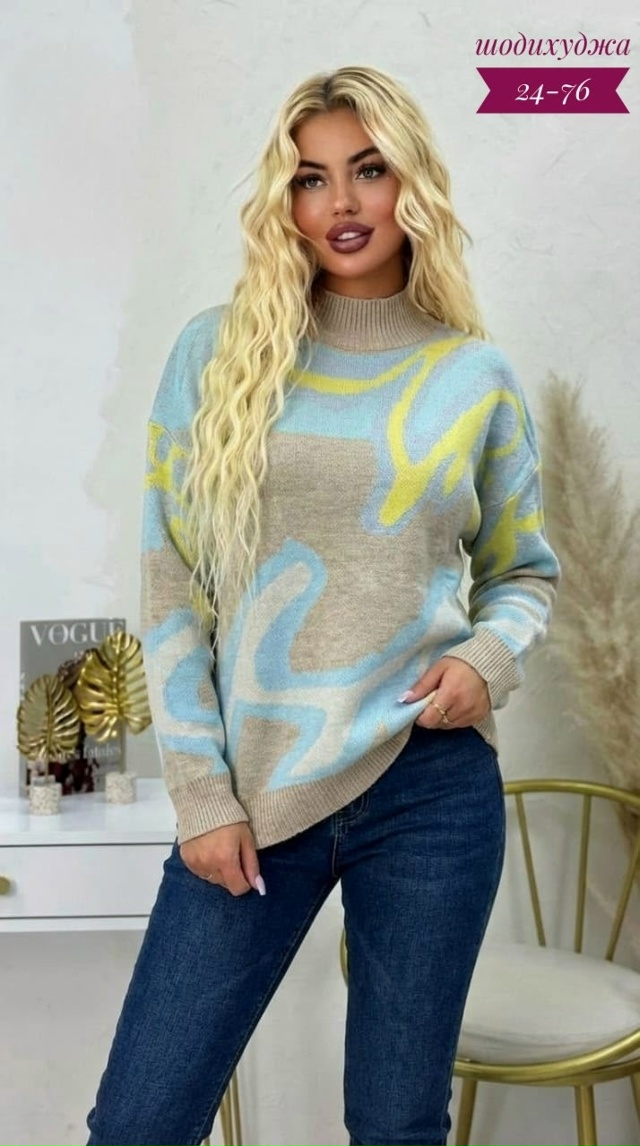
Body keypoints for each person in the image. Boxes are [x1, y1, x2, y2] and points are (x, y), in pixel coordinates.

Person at [85, 64, 560, 1146]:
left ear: (411, 186)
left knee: (397, 1126)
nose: (340, 202)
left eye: (368, 170)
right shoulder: (215, 355)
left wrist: (485, 661)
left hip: (429, 787)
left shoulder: (472, 376)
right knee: (139, 1123)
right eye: (310, 178)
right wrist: (201, 794)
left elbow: (523, 573)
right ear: (285, 201)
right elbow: (170, 582)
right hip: (255, 793)